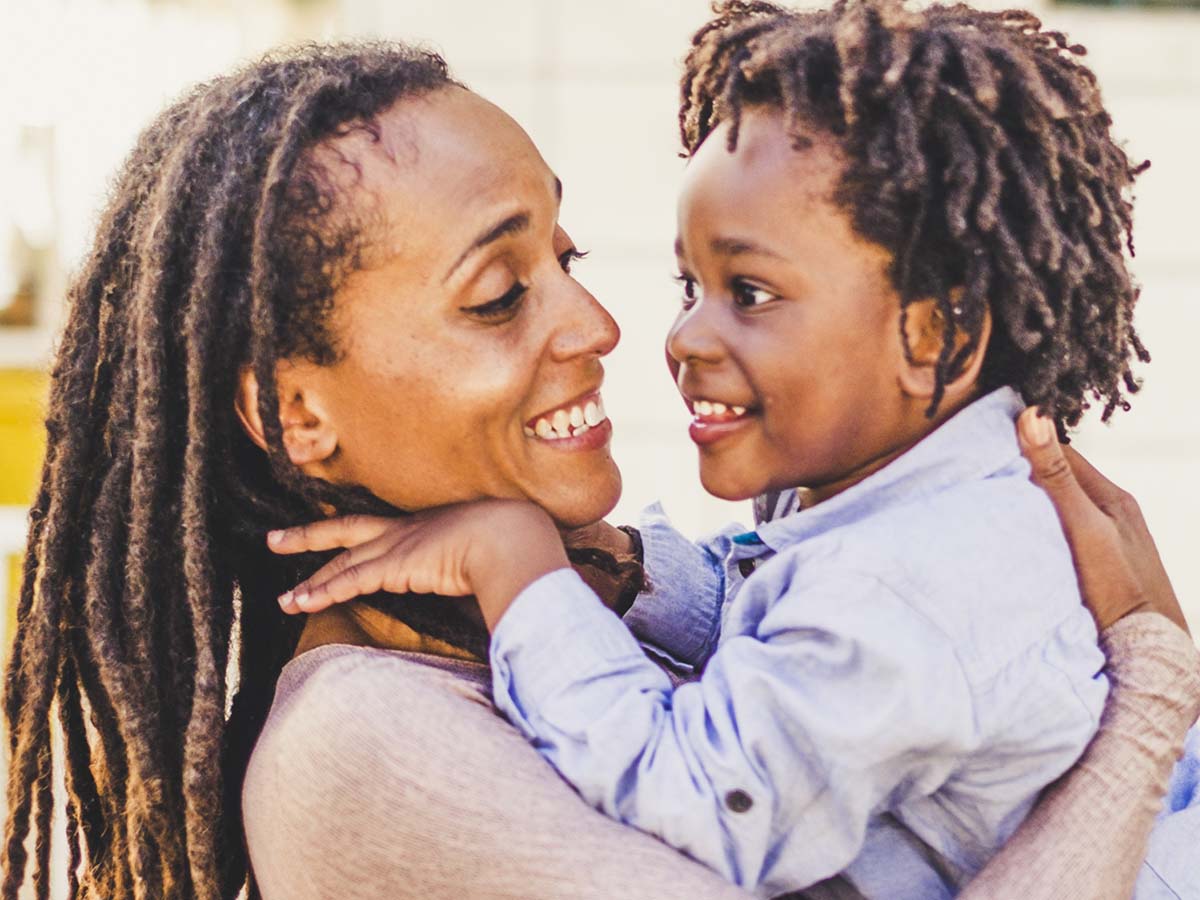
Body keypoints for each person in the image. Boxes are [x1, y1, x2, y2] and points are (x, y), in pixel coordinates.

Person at [1, 38, 1195, 900]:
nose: (603, 327)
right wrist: (1147, 695)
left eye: (564, 255)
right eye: (499, 295)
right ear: (292, 414)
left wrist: (605, 576)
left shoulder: (568, 595)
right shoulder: (365, 748)